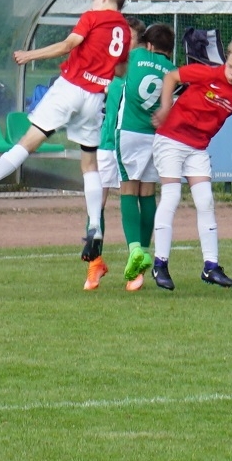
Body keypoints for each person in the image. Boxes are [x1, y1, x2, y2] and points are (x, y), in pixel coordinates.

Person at [0, 0, 131, 290]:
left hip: (70, 88)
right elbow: (121, 69)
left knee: (28, 141)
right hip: (95, 97)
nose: (91, 4)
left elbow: (68, 45)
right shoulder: (125, 30)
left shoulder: (92, 18)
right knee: (89, 164)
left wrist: (30, 56)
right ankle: (96, 226)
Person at [147, 35, 232, 291]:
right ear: (226, 59)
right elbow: (171, 77)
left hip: (197, 147)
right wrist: (165, 107)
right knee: (171, 197)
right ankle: (160, 263)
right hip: (171, 139)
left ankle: (211, 266)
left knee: (206, 201)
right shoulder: (206, 73)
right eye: (230, 66)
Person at [118, 23, 177, 291]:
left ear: (149, 45)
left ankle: (134, 251)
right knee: (148, 193)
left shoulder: (138, 57)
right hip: (156, 136)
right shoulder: (173, 71)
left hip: (130, 131)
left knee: (128, 189)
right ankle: (144, 248)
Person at [89, 16, 147, 290]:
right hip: (107, 144)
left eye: (130, 39)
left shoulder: (143, 70)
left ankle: (137, 266)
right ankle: (95, 264)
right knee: (95, 204)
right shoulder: (109, 66)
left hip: (134, 144)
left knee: (136, 198)